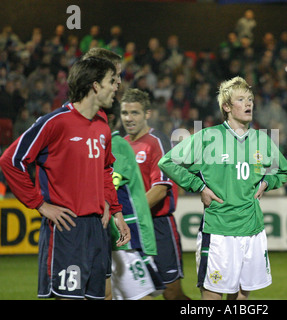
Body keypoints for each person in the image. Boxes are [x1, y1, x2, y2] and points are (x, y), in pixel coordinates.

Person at [0, 57, 130, 299]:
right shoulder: (54, 122)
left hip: (97, 228)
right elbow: (11, 160)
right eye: (111, 81)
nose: (117, 86)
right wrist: (39, 204)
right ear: (94, 85)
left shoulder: (102, 124)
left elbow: (105, 170)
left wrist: (115, 210)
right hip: (67, 229)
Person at [158, 76, 287, 300]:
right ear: (227, 107)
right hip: (219, 231)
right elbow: (167, 162)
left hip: (252, 230)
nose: (249, 104)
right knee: (212, 297)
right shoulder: (208, 138)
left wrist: (267, 182)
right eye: (241, 99)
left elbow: (284, 170)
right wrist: (198, 185)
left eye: (250, 99)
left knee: (241, 298)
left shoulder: (262, 140)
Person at [83, 47, 165, 300]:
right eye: (115, 77)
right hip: (111, 234)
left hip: (122, 235)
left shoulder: (123, 144)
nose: (119, 83)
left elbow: (159, 188)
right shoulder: (105, 139)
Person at [120, 88, 190, 300]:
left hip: (158, 226)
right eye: (125, 113)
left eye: (135, 113)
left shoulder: (157, 142)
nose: (129, 118)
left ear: (147, 114)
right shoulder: (121, 145)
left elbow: (159, 190)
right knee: (134, 293)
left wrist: (128, 213)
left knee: (172, 295)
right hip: (132, 229)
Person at [104, 103, 165, 300]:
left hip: (124, 238)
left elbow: (112, 184)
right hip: (111, 236)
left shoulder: (115, 144)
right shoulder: (105, 144)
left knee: (139, 295)